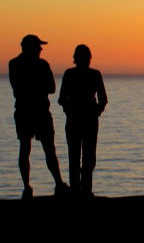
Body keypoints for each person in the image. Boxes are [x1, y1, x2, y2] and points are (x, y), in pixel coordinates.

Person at [9, 34, 70, 198]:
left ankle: (54, 184)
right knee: (38, 149)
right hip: (33, 112)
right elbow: (48, 87)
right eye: (38, 46)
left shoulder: (17, 64)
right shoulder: (34, 65)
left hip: (33, 111)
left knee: (39, 149)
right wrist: (37, 87)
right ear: (29, 47)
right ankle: (42, 185)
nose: (41, 49)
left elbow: (50, 88)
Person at [58, 44, 107, 196]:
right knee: (82, 156)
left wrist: (95, 112)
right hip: (81, 119)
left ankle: (82, 189)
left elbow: (103, 99)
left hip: (83, 119)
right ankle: (81, 190)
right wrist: (94, 111)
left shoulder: (90, 74)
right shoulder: (79, 74)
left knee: (82, 157)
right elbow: (62, 99)